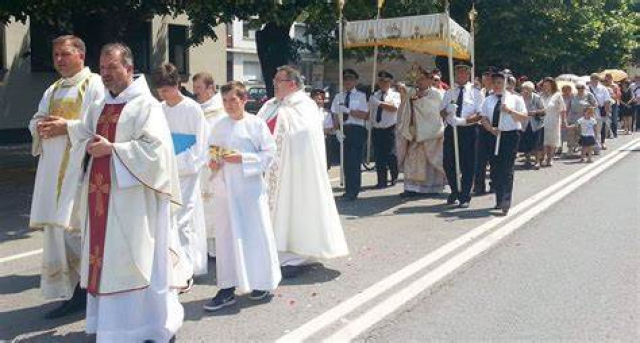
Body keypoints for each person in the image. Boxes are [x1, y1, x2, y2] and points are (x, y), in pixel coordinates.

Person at [66, 43, 183, 341]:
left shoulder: (146, 105)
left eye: (112, 68)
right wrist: (67, 130)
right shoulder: (99, 104)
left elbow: (157, 152)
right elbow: (84, 131)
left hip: (134, 201)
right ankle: (109, 327)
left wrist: (113, 150)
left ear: (129, 69)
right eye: (102, 68)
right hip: (100, 197)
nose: (105, 74)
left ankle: (142, 328)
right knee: (103, 261)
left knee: (133, 261)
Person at [28, 35, 104, 319]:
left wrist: (67, 127)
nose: (59, 59)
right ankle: (73, 292)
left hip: (81, 172)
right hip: (53, 174)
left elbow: (100, 123)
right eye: (56, 55)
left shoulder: (94, 84)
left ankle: (92, 291)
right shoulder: (54, 88)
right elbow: (37, 116)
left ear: (81, 55)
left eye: (65, 54)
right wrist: (39, 125)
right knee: (59, 235)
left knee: (82, 234)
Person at [259, 65, 349, 277]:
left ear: (291, 84)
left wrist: (283, 123)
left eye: (278, 81)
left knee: (294, 209)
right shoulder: (271, 105)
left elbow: (304, 134)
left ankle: (296, 254)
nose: (274, 84)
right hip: (271, 168)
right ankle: (272, 250)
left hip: (296, 170)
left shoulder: (304, 105)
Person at [203, 81, 281, 311]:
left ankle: (261, 282)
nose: (228, 105)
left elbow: (269, 154)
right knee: (226, 239)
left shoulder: (256, 124)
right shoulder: (218, 126)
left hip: (249, 190)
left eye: (233, 100)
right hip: (226, 189)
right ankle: (227, 287)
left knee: (254, 235)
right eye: (225, 100)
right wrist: (213, 161)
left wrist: (244, 159)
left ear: (244, 100)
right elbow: (210, 151)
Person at [152, 63, 209, 287]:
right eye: (160, 90)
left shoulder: (192, 109)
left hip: (185, 171)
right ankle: (171, 265)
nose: (163, 94)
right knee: (166, 220)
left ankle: (186, 269)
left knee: (183, 219)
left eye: (167, 89)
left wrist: (178, 163)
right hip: (164, 171)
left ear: (177, 85)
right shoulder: (159, 108)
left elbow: (201, 145)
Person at [480, 72, 528, 215]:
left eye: (500, 82)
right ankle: (499, 198)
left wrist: (509, 111)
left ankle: (506, 200)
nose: (497, 85)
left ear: (506, 84)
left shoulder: (515, 99)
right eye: (494, 82)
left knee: (507, 168)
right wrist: (491, 129)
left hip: (510, 135)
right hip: (493, 135)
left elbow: (523, 117)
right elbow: (483, 118)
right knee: (495, 168)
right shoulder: (488, 100)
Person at [396, 68, 446, 197]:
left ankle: (431, 188)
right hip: (413, 131)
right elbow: (404, 109)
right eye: (417, 79)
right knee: (411, 159)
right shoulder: (412, 93)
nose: (419, 82)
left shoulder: (437, 94)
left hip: (430, 133)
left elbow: (433, 112)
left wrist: (419, 101)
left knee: (429, 162)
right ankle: (411, 188)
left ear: (430, 80)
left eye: (423, 79)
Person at [440, 63, 483, 208]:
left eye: (463, 73)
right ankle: (454, 191)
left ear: (468, 74)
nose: (460, 75)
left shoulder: (476, 92)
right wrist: (448, 111)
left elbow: (480, 114)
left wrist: (464, 121)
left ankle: (465, 195)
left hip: (468, 131)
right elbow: (441, 113)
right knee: (448, 163)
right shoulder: (450, 92)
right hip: (451, 130)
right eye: (458, 73)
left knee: (467, 164)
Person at [192, 72, 225, 259]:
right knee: (201, 207)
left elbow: (220, 137)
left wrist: (214, 160)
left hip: (214, 164)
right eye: (195, 88)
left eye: (199, 88)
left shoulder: (220, 109)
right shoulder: (196, 109)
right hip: (198, 164)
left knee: (215, 205)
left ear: (211, 88)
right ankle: (203, 246)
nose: (196, 92)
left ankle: (218, 247)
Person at [330, 69, 369, 201]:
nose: (347, 81)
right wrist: (336, 130)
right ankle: (348, 190)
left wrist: (348, 110)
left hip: (356, 130)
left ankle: (354, 190)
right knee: (346, 162)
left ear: (356, 81)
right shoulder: (338, 97)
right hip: (344, 130)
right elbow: (335, 115)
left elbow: (364, 115)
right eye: (345, 79)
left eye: (350, 79)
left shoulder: (361, 96)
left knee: (354, 161)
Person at [369, 71, 401, 188]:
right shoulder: (374, 95)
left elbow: (393, 108)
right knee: (379, 156)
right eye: (381, 81)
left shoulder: (395, 95)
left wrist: (378, 103)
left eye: (385, 81)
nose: (383, 84)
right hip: (377, 128)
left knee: (391, 155)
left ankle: (394, 176)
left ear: (390, 82)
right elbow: (370, 111)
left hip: (390, 128)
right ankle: (381, 181)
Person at [540, 77, 566, 167]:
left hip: (554, 119)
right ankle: (544, 157)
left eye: (548, 85)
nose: (546, 86)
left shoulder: (557, 95)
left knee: (552, 140)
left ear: (552, 85)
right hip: (542, 120)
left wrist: (563, 121)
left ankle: (550, 158)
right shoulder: (540, 95)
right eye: (544, 85)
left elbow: (563, 109)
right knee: (544, 140)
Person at [518, 81, 545, 169]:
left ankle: (537, 162)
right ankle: (528, 160)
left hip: (536, 124)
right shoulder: (519, 98)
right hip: (524, 123)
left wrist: (535, 112)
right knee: (526, 142)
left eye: (528, 89)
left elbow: (543, 110)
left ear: (532, 90)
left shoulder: (537, 98)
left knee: (537, 143)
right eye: (524, 89)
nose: (525, 91)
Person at [311, 89, 339, 169]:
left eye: (320, 99)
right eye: (315, 99)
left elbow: (329, 129)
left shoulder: (327, 113)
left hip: (324, 141)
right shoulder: (306, 113)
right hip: (311, 142)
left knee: (324, 165)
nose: (318, 101)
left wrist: (316, 131)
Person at [568, 82, 598, 152]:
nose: (580, 89)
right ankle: (573, 148)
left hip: (586, 117)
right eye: (578, 88)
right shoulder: (573, 95)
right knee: (574, 133)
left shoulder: (589, 95)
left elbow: (595, 104)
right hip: (575, 117)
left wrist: (590, 109)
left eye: (582, 88)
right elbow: (569, 106)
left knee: (587, 133)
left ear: (584, 88)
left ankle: (592, 148)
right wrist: (567, 117)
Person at [588, 73, 612, 151]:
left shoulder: (603, 88)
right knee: (589, 129)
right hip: (589, 111)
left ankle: (598, 145)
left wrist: (607, 111)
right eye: (592, 78)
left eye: (596, 78)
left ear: (598, 79)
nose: (594, 80)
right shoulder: (587, 88)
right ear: (590, 79)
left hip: (599, 110)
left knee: (599, 129)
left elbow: (607, 101)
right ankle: (591, 146)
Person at [603, 73, 621, 138]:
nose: (607, 79)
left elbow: (618, 95)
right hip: (606, 103)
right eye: (606, 78)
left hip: (614, 104)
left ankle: (614, 133)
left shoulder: (615, 86)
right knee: (607, 118)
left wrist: (612, 95)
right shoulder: (603, 86)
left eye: (608, 78)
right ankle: (608, 133)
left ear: (611, 78)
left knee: (614, 119)